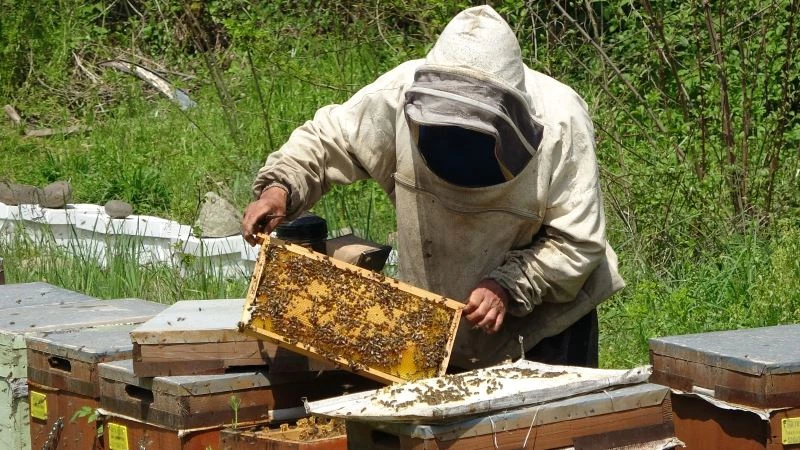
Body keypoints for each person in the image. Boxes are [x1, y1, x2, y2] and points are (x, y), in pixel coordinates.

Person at [242, 5, 624, 371]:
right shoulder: (398, 92)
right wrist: (280, 187)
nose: (458, 145)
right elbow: (329, 139)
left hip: (546, 327)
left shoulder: (561, 121)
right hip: (440, 324)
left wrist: (507, 286)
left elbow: (577, 242)